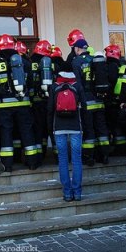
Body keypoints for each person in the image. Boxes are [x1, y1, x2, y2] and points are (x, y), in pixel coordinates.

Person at [0, 34, 36, 172]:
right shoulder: (24, 63)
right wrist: (30, 100)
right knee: (27, 132)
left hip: (3, 107)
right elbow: (31, 84)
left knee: (6, 134)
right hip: (23, 104)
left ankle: (7, 165)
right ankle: (32, 162)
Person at [47, 61, 86, 202]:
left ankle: (67, 193)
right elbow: (84, 109)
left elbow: (50, 110)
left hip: (59, 127)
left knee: (62, 159)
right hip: (76, 127)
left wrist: (50, 130)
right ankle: (77, 192)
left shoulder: (54, 86)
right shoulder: (77, 85)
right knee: (76, 159)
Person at [71, 38, 109, 166]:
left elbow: (77, 83)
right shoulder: (95, 60)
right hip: (99, 99)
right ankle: (104, 155)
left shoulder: (76, 62)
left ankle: (89, 157)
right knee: (101, 128)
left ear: (77, 49)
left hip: (86, 100)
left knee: (88, 129)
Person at [30, 39, 54, 167]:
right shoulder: (49, 63)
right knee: (49, 129)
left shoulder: (30, 62)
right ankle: (52, 155)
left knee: (37, 130)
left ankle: (38, 157)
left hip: (34, 103)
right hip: (48, 102)